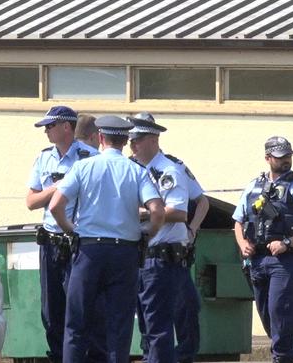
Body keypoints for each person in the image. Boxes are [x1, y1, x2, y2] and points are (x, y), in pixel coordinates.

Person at [49, 115, 165, 363]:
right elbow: (156, 210)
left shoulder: (83, 167)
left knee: (76, 325)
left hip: (89, 251)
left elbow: (56, 206)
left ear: (100, 138)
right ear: (125, 141)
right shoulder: (137, 171)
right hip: (124, 253)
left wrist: (71, 229)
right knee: (119, 327)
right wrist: (149, 233)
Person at [232, 136, 293, 363]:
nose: (285, 161)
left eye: (288, 157)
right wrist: (243, 244)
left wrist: (288, 243)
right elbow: (238, 221)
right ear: (268, 158)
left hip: (287, 262)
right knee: (269, 317)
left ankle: (282, 358)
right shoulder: (254, 186)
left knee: (282, 314)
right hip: (257, 262)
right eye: (280, 157)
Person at [25, 105, 99, 363]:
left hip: (79, 242)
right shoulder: (44, 158)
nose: (46, 131)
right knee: (51, 312)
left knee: (79, 309)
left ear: (66, 127)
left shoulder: (90, 157)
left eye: (50, 126)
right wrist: (56, 189)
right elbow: (32, 201)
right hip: (51, 242)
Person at [128, 114, 190, 363]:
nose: (132, 145)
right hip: (139, 257)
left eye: (138, 140)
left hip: (161, 259)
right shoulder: (131, 169)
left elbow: (179, 211)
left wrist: (142, 212)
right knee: (146, 327)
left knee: (158, 327)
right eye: (131, 140)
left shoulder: (167, 170)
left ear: (153, 139)